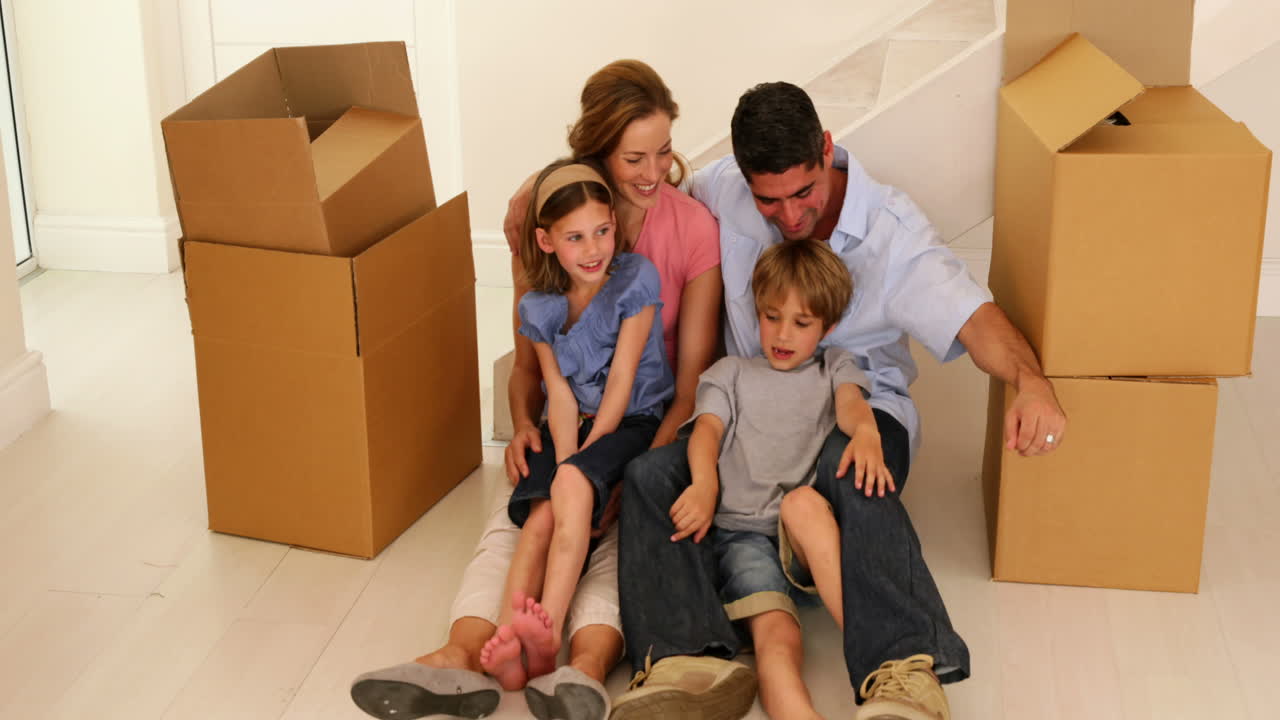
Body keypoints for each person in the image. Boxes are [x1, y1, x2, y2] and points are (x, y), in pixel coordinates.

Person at [610, 81, 1068, 720]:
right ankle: (687, 658)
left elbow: (972, 316)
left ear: (826, 149)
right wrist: (547, 197)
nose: (791, 217)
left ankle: (904, 669)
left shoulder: (892, 230)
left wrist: (1032, 383)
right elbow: (643, 196)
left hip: (852, 408)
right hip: (750, 418)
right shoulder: (722, 189)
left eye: (804, 193)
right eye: (770, 201)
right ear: (743, 179)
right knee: (651, 474)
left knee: (851, 468)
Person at [352, 59, 722, 720]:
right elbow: (533, 365)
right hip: (567, 421)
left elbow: (691, 384)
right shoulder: (542, 210)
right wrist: (525, 425)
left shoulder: (690, 229)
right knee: (522, 519)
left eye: (664, 152)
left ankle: (577, 667)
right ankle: (465, 656)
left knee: (617, 533)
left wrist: (627, 470)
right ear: (596, 154)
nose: (655, 172)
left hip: (647, 422)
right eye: (634, 157)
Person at [670, 239, 897, 720]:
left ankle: (876, 657)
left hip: (806, 538)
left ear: (827, 327)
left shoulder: (833, 365)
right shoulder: (728, 372)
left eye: (801, 323)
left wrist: (869, 433)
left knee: (802, 503)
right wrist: (704, 485)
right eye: (771, 317)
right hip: (743, 537)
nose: (783, 334)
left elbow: (852, 405)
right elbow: (705, 432)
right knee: (776, 641)